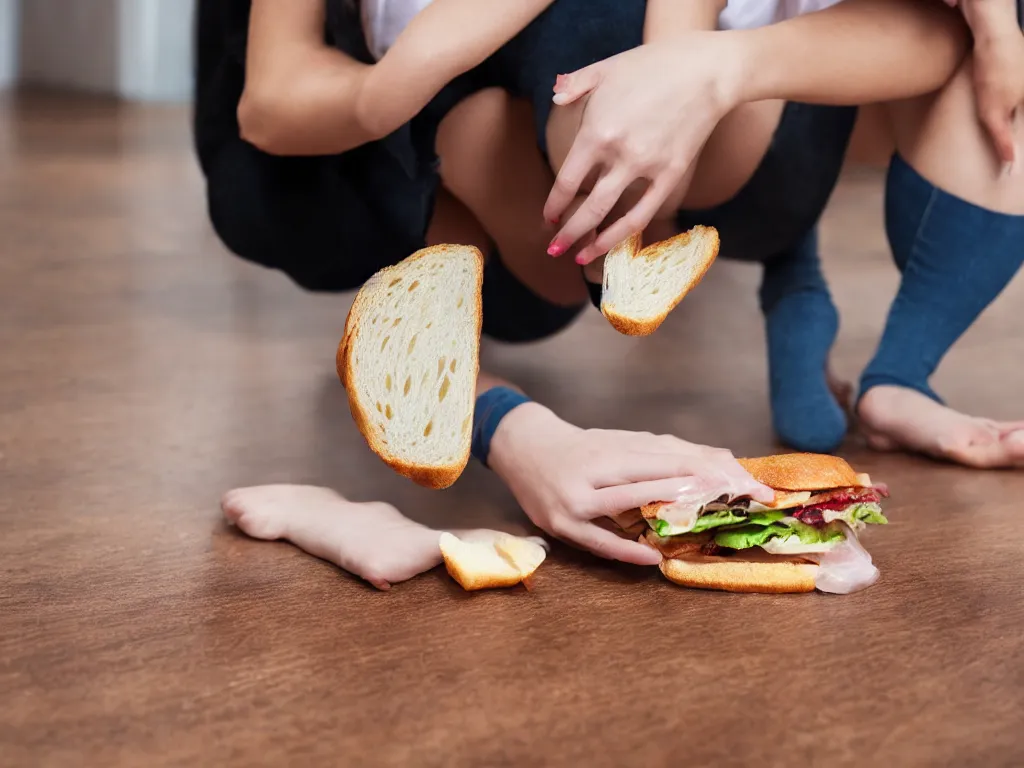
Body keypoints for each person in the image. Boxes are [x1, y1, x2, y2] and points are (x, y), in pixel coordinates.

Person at [195, 0, 774, 588]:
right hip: (429, 186)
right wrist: (404, 76)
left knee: (602, 66)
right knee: (278, 179)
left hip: (542, 213)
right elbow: (268, 106)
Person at [538, 0, 1024, 467]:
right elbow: (672, 75)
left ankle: (895, 374)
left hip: (818, 97)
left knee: (981, 50)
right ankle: (798, 282)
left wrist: (998, 28)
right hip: (728, 151)